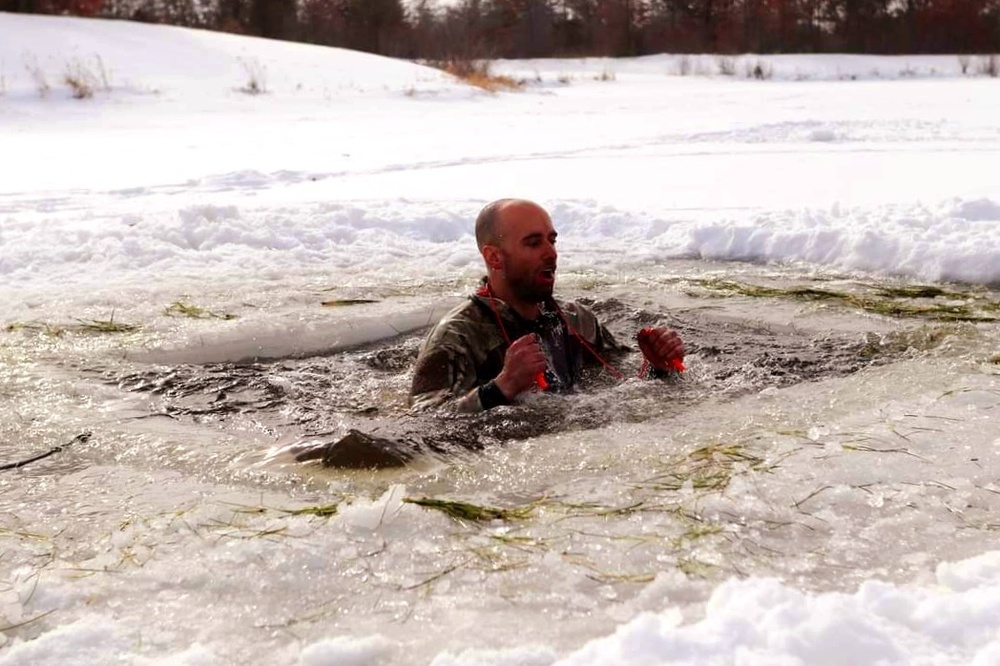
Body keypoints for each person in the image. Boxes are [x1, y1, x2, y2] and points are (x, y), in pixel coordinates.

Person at [409, 199, 685, 413]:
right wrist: (501, 388)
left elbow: (623, 393)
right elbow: (424, 420)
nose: (551, 253)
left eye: (551, 241)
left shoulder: (577, 320)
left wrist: (656, 367)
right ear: (494, 257)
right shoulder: (457, 337)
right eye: (533, 243)